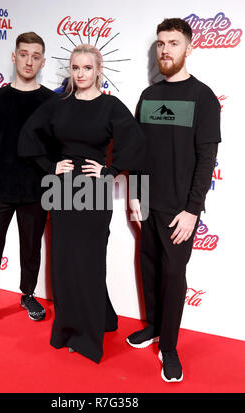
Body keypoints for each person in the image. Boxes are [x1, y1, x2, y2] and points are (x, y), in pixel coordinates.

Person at [18, 44, 146, 363]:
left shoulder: (110, 106)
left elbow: (137, 145)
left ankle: (88, 337)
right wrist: (50, 166)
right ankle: (69, 328)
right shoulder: (58, 105)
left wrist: (111, 170)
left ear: (98, 70)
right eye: (76, 68)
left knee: (88, 263)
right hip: (60, 188)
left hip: (94, 189)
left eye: (87, 68)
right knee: (62, 263)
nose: (81, 73)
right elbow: (28, 136)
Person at [127, 18, 221, 382]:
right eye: (161, 44)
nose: (165, 50)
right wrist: (135, 193)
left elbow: (206, 160)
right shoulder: (148, 96)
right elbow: (136, 151)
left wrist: (192, 210)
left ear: (188, 48)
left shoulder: (203, 97)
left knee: (173, 274)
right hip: (147, 201)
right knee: (148, 266)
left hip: (179, 208)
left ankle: (168, 346)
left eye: (173, 43)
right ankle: (152, 326)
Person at [0, 32, 56, 334]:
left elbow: (59, 149)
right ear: (14, 57)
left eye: (36, 55)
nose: (29, 60)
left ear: (42, 61)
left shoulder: (50, 101)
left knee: (31, 249)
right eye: (24, 54)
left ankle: (28, 295)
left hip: (35, 191)